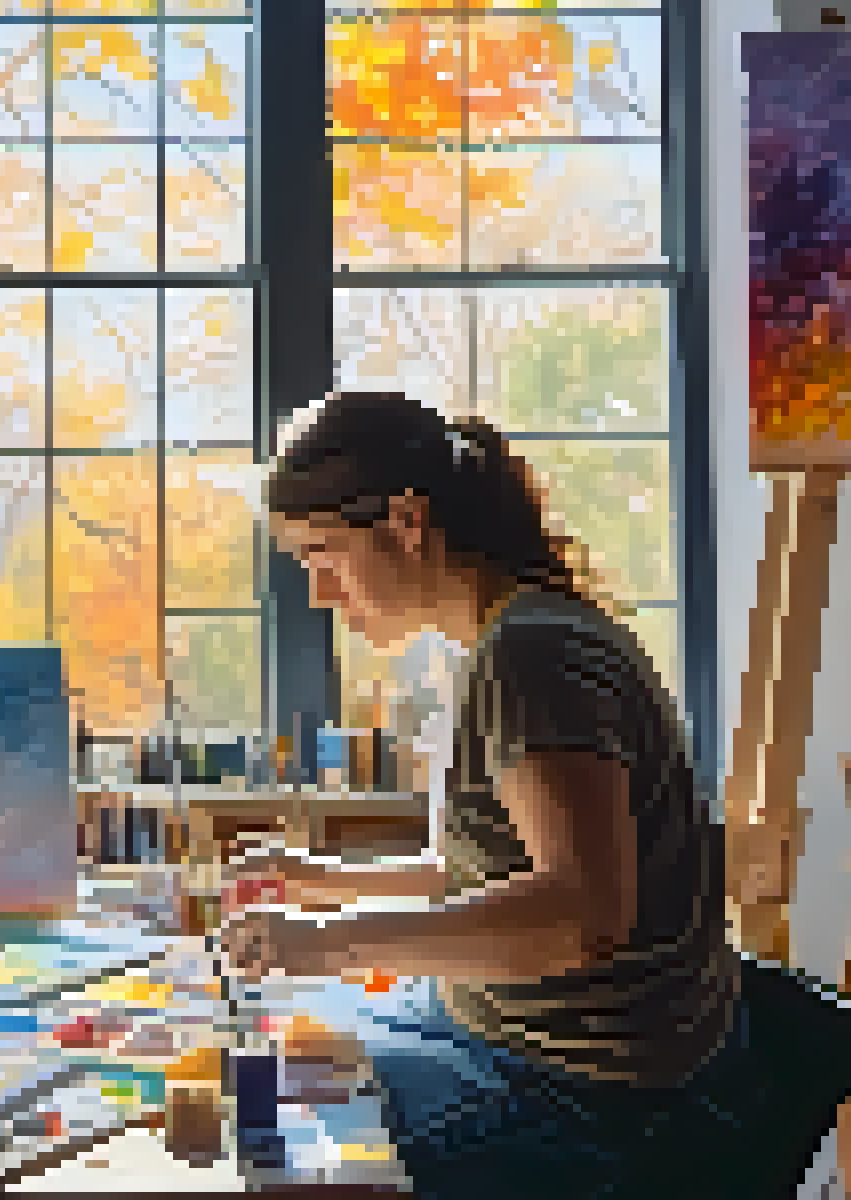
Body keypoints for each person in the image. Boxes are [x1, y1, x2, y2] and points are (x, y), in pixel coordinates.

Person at [221, 391, 774, 1198]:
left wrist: (324, 942)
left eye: (322, 555)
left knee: (274, 1140)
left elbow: (579, 916)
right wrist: (313, 878)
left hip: (593, 1106)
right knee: (285, 1049)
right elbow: (476, 878)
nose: (319, 594)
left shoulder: (530, 656)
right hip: (529, 1052)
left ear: (407, 522)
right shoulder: (514, 636)